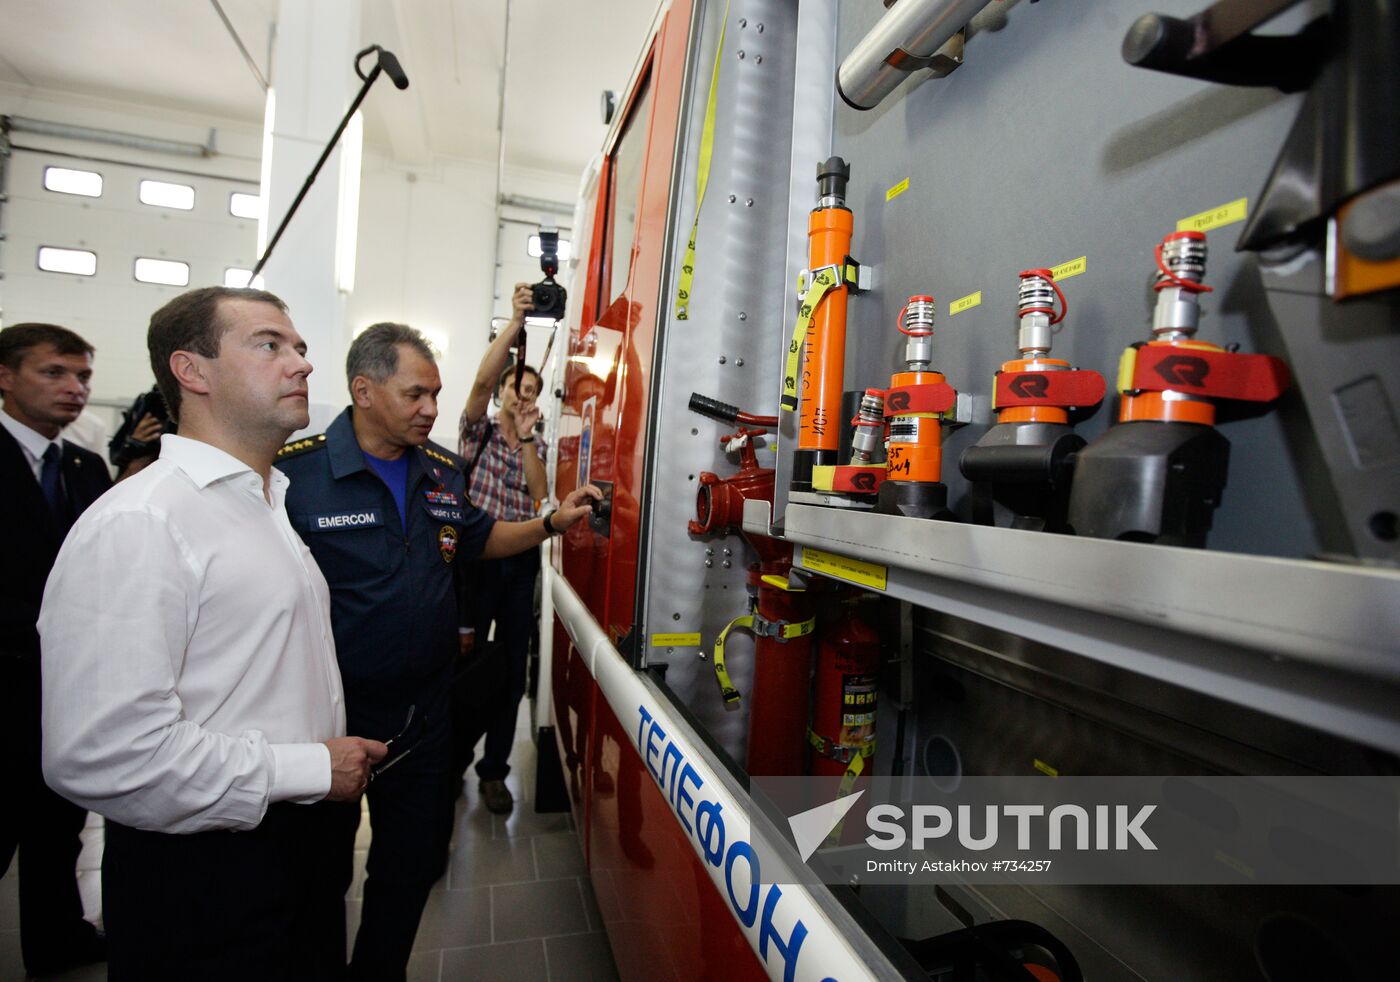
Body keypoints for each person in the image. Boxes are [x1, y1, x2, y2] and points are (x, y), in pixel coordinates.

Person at [38, 287, 388, 981]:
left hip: (297, 849)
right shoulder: (143, 521)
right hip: (208, 875)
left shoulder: (266, 507)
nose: (301, 366)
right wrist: (310, 767)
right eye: (268, 345)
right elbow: (101, 753)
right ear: (191, 372)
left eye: (300, 349)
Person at [275, 321, 599, 982]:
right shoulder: (292, 476)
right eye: (415, 394)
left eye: (435, 395)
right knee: (317, 876)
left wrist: (551, 523)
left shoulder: (442, 472)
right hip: (324, 718)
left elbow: (479, 539)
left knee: (411, 863)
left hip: (423, 714)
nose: (430, 409)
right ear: (364, 391)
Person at [0, 323, 111, 978]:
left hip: (64, 686)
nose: (74, 390)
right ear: (6, 377)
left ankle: (58, 939)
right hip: (7, 677)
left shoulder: (82, 466)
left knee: (57, 826)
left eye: (83, 378)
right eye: (55, 374)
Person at [452, 282, 549, 814]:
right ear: (503, 393)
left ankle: (494, 772)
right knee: (462, 665)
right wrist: (516, 323)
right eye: (516, 387)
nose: (522, 395)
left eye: (531, 389)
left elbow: (539, 498)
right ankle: (451, 762)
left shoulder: (536, 441)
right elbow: (483, 377)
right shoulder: (477, 431)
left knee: (512, 673)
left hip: (519, 568)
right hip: (475, 566)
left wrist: (530, 436)